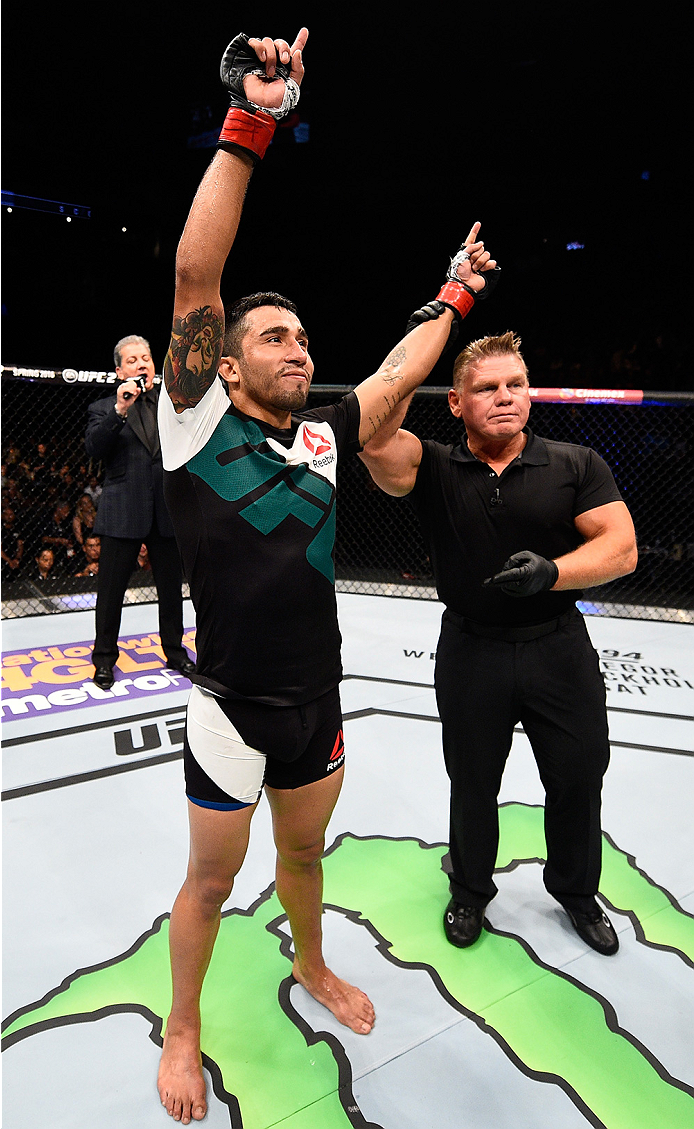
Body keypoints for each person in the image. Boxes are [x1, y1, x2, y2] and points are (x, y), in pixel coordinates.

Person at [155, 27, 498, 1125]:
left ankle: (309, 960)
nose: (300, 349)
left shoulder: (322, 436)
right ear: (227, 356)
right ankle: (184, 1025)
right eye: (276, 337)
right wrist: (253, 119)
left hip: (318, 704)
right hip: (231, 709)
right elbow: (196, 272)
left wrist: (452, 296)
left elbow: (396, 372)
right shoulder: (193, 424)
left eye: (304, 336)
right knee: (211, 881)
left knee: (303, 857)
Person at [359, 331, 638, 958]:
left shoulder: (575, 463)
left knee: (577, 775)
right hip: (472, 648)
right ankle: (470, 889)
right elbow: (373, 435)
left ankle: (575, 891)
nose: (505, 397)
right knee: (473, 780)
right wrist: (419, 343)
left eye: (515, 385)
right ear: (456, 403)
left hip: (557, 646)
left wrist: (553, 573)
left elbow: (621, 546)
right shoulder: (431, 464)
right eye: (486, 388)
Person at [84, 335, 195, 689]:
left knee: (170, 589)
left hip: (165, 510)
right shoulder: (104, 407)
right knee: (111, 592)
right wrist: (120, 409)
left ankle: (175, 653)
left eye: (146, 357)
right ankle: (103, 660)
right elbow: (94, 449)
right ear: (119, 369)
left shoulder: (170, 404)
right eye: (132, 360)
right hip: (122, 513)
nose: (142, 364)